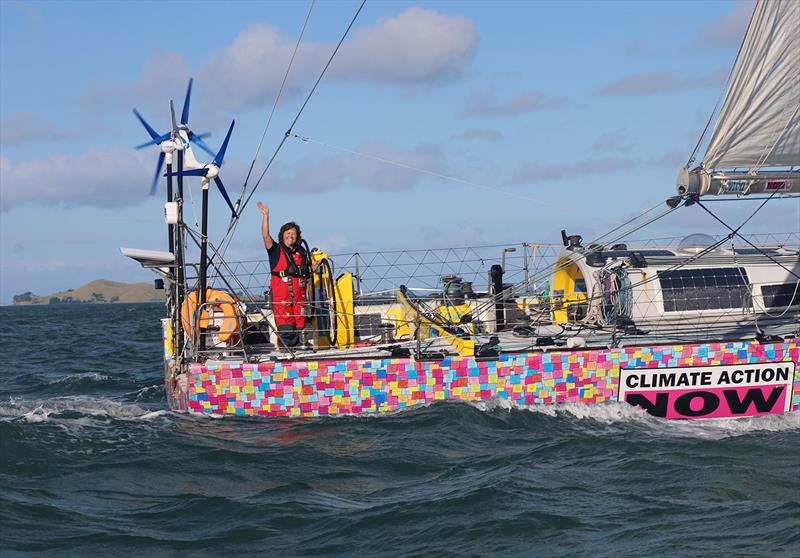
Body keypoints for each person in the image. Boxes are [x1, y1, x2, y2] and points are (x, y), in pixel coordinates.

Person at [258, 201, 314, 348]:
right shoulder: (275, 250)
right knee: (287, 331)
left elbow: (308, 273)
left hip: (300, 300)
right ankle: (286, 356)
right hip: (282, 300)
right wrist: (266, 216)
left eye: (293, 233)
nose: (291, 236)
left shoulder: (302, 252)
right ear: (282, 236)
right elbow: (265, 236)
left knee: (302, 331)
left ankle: (304, 357)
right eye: (288, 233)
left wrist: (315, 265)